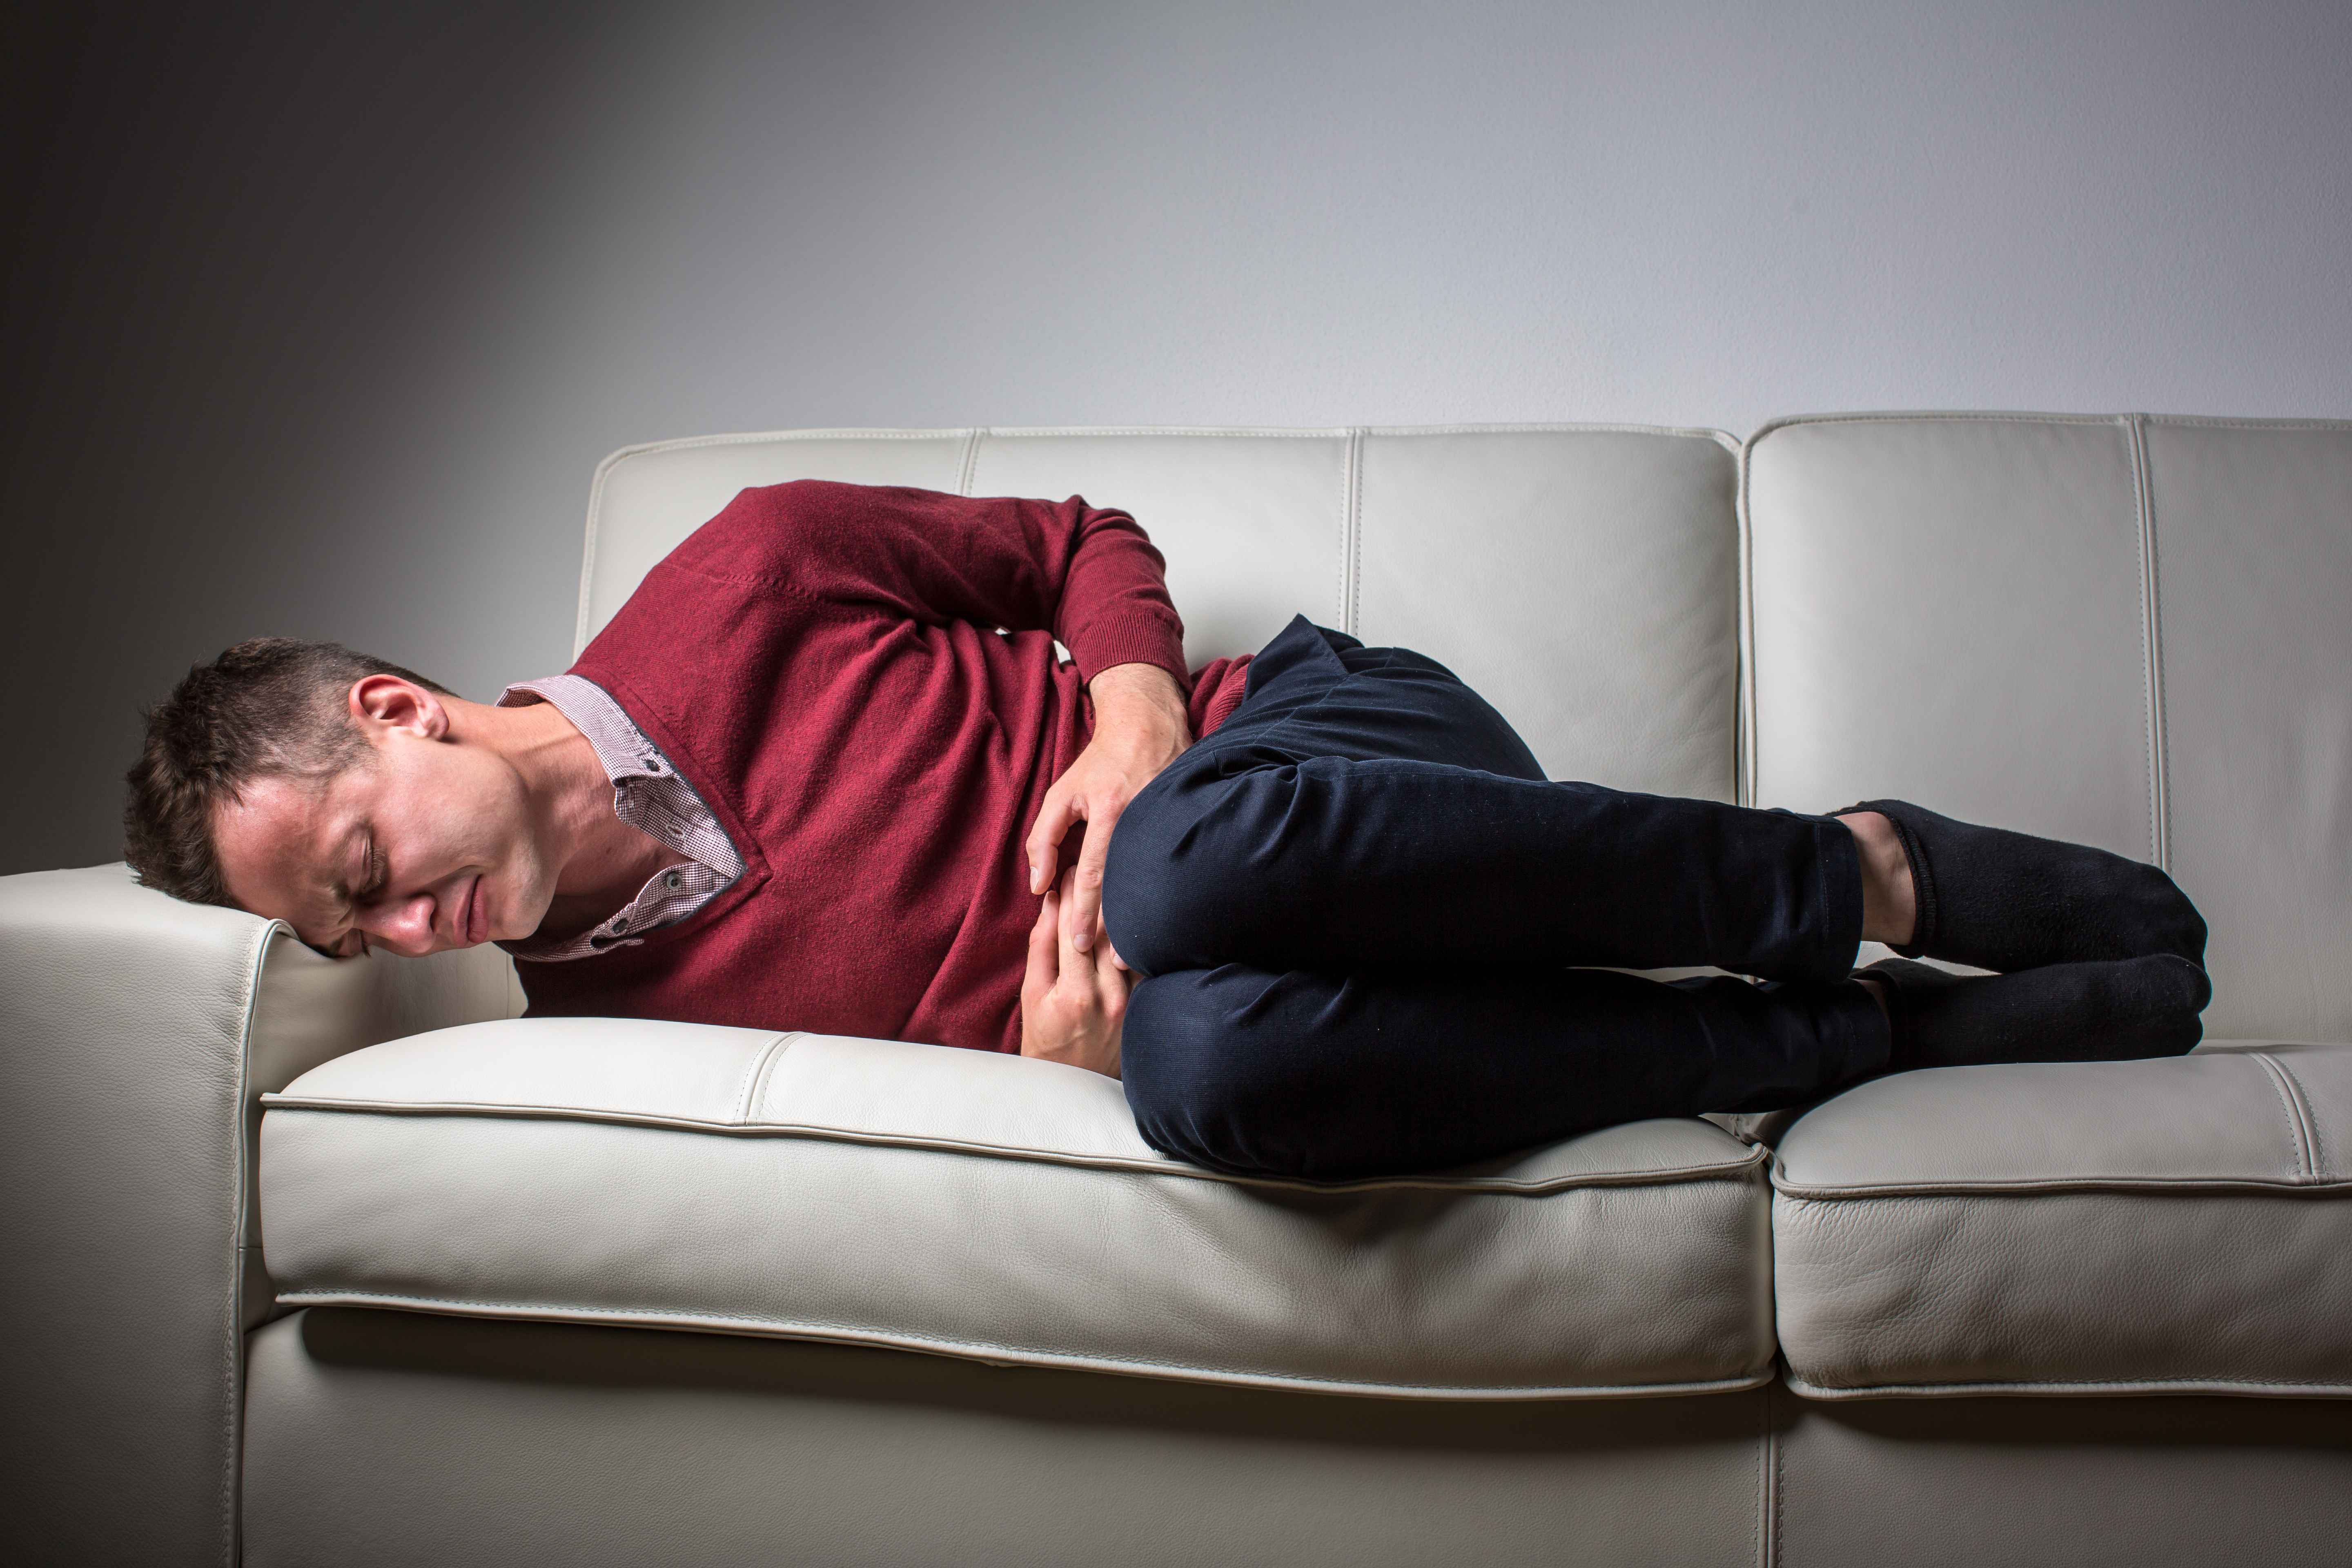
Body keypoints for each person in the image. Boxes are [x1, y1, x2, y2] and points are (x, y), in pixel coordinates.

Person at [123, 480, 2211, 1181]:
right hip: (1239, 980)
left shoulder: (736, 577)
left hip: (1318, 751)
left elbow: (1081, 543)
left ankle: (1853, 876)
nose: (408, 932)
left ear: (394, 713)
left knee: (1179, 860)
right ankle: (1845, 1042)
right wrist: (1049, 1080)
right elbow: (970, 1107)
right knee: (1200, 1070)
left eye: (364, 873)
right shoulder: (594, 1041)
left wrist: (1129, 714)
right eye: (354, 939)